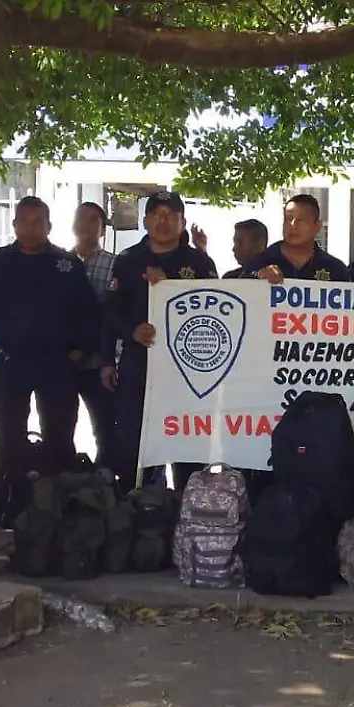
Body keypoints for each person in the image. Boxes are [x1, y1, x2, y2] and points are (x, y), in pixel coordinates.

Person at [0, 196, 101, 510]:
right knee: (7, 434)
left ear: (49, 226)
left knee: (59, 434)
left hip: (57, 363)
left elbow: (89, 314)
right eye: (24, 221)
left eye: (38, 221)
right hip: (9, 362)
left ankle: (58, 504)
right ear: (14, 225)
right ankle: (4, 501)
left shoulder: (66, 265)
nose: (31, 228)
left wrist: (79, 352)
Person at [103, 191, 217, 495]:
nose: (163, 221)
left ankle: (188, 514)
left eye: (171, 215)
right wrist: (130, 332)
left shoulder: (199, 263)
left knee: (187, 444)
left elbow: (217, 312)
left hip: (188, 369)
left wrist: (170, 286)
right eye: (156, 214)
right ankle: (134, 512)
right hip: (139, 363)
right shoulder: (128, 261)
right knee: (133, 441)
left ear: (183, 223)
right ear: (145, 220)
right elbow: (110, 313)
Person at [70, 201, 117, 465]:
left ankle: (106, 484)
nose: (86, 225)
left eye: (93, 220)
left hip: (99, 363)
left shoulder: (114, 265)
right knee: (61, 427)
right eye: (82, 218)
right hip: (64, 363)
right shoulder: (60, 262)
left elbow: (111, 315)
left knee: (105, 429)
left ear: (102, 229)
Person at [243, 194, 351, 282]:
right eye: (288, 219)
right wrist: (259, 277)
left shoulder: (336, 269)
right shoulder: (260, 262)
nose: (293, 225)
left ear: (317, 226)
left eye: (301, 220)